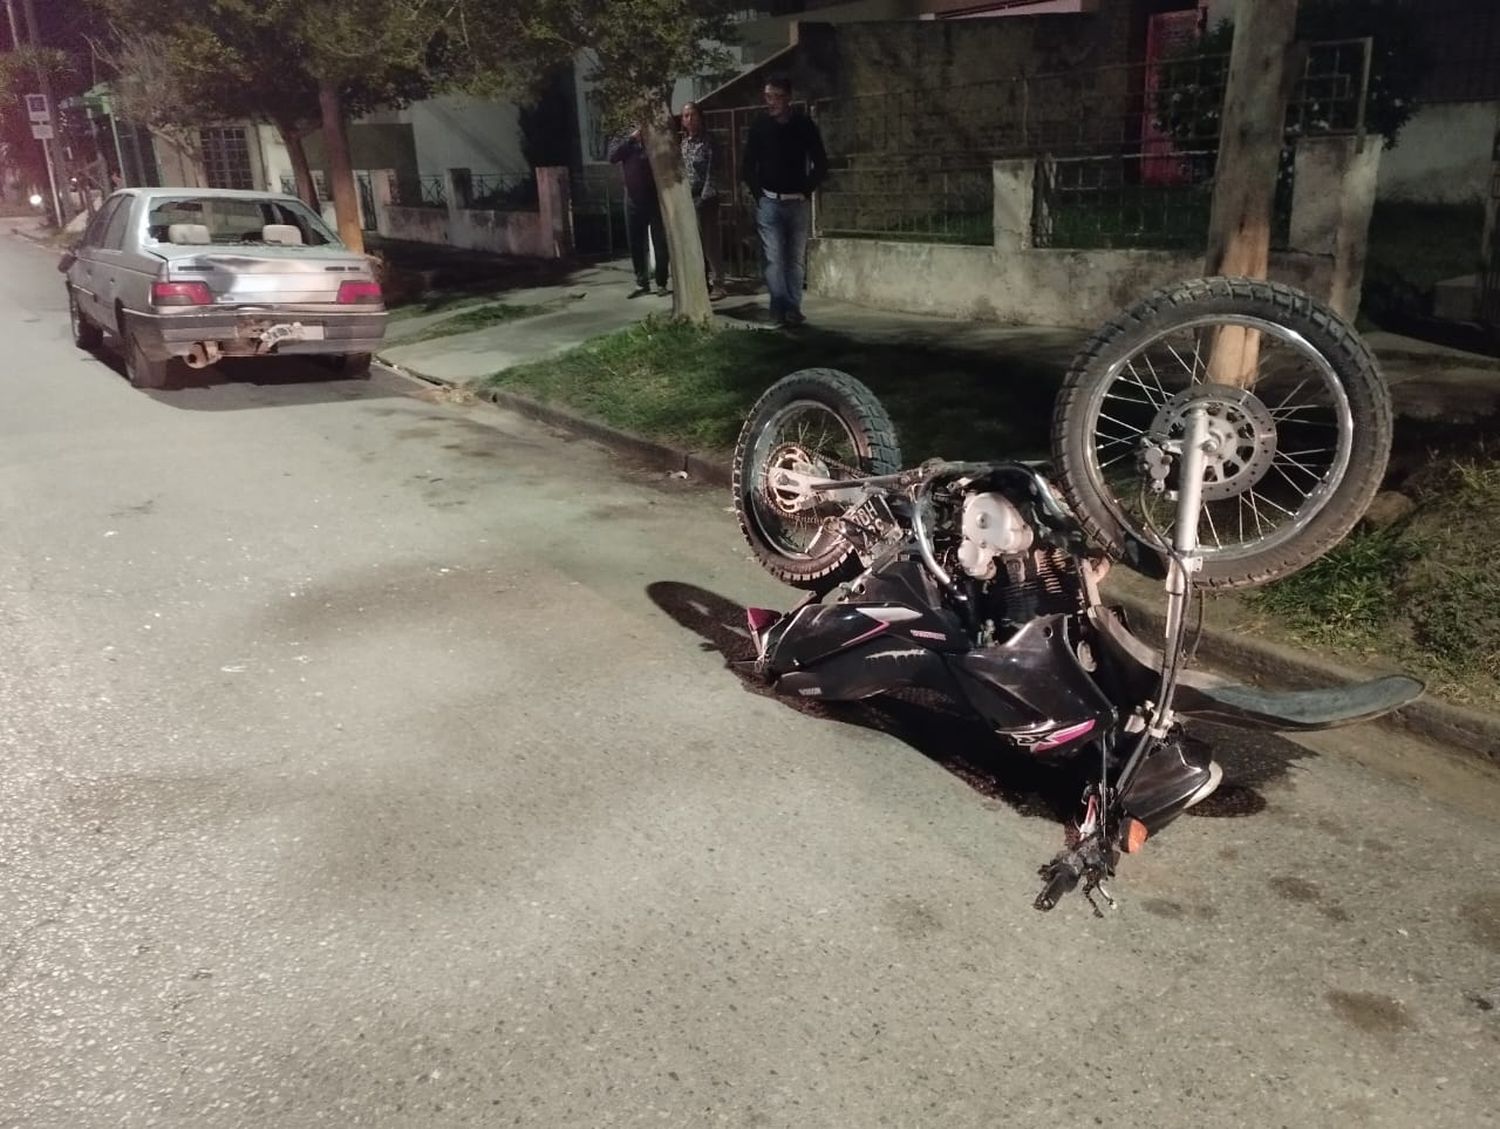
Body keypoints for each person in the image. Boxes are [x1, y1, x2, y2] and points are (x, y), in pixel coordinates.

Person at [740, 75, 827, 327]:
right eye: (768, 96)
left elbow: (821, 162)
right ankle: (778, 307)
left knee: (795, 259)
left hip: (797, 202)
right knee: (774, 258)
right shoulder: (760, 127)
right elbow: (748, 166)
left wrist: (806, 189)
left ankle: (793, 307)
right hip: (769, 201)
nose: (771, 102)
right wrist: (759, 195)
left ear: (788, 98)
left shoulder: (803, 125)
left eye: (777, 96)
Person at [608, 127, 670, 297]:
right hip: (633, 198)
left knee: (660, 242)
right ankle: (641, 282)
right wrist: (631, 138)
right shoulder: (624, 133)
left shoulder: (655, 131)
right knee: (635, 242)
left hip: (655, 198)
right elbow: (613, 156)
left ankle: (662, 283)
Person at [679, 101, 727, 302]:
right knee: (694, 243)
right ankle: (701, 282)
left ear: (700, 117)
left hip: (705, 198)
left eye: (693, 115)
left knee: (709, 242)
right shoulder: (684, 143)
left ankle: (719, 283)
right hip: (688, 198)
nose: (689, 119)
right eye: (686, 116)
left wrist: (705, 196)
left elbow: (713, 171)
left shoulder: (709, 141)